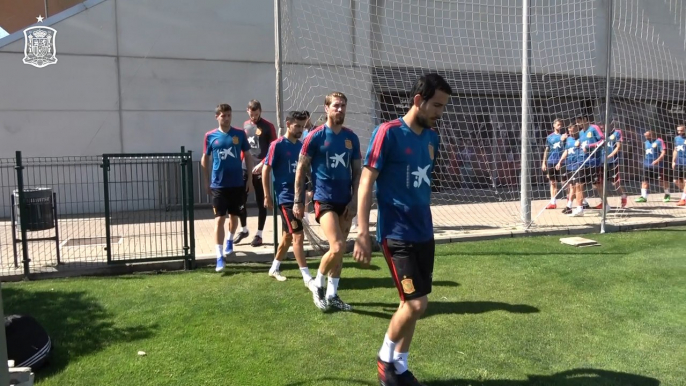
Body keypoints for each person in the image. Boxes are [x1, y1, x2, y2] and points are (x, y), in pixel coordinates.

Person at [353, 73, 452, 386]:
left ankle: (401, 365)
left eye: (443, 107)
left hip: (424, 231)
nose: (440, 112)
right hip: (396, 233)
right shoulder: (388, 133)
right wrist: (363, 231)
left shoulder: (432, 139)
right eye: (436, 105)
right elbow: (367, 181)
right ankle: (385, 360)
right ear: (418, 100)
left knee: (410, 305)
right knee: (416, 303)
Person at [293, 91, 361, 312]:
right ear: (326, 108)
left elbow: (358, 173)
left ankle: (332, 295)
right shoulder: (315, 136)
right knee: (338, 246)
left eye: (342, 105)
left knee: (339, 253)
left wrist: (354, 201)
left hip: (346, 202)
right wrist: (298, 201)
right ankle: (318, 285)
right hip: (324, 200)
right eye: (335, 105)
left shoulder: (352, 138)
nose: (339, 109)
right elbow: (301, 169)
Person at [262, 110, 314, 284]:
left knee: (288, 236)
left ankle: (274, 267)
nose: (300, 129)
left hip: (298, 197)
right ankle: (307, 277)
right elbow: (266, 168)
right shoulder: (277, 145)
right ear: (288, 123)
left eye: (302, 126)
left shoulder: (301, 146)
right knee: (298, 236)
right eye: (297, 126)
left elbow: (306, 171)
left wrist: (309, 187)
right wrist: (267, 195)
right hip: (286, 198)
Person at [201, 104, 253, 272]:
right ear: (217, 117)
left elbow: (249, 156)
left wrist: (250, 179)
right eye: (223, 115)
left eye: (229, 115)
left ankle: (230, 239)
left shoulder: (239, 134)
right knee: (219, 220)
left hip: (237, 183)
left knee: (234, 216)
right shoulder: (210, 136)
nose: (226, 118)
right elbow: (205, 158)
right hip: (218, 185)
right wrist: (206, 181)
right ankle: (219, 256)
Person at [234, 100, 278, 247]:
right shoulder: (246, 125)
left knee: (261, 202)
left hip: (260, 167)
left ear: (261, 111)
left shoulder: (268, 126)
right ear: (247, 111)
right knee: (240, 201)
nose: (254, 117)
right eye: (252, 114)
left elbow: (274, 148)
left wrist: (263, 163)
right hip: (245, 167)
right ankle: (244, 229)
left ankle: (259, 234)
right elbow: (244, 148)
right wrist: (240, 164)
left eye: (256, 114)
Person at [556, 124, 588, 217]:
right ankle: (571, 206)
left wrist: (581, 145)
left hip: (579, 165)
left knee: (578, 186)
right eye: (569, 131)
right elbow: (566, 151)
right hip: (570, 166)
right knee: (571, 186)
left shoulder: (582, 138)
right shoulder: (569, 139)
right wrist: (560, 162)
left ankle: (578, 207)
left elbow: (586, 148)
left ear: (577, 129)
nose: (570, 132)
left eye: (572, 130)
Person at [635, 129, 669, 203]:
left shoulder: (659, 141)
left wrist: (657, 160)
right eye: (645, 136)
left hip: (658, 165)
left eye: (647, 135)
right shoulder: (646, 142)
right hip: (647, 165)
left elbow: (663, 152)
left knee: (662, 181)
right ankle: (643, 197)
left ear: (651, 134)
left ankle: (667, 194)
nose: (645, 137)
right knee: (644, 181)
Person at [541, 118, 568, 209]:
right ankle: (553, 202)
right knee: (552, 182)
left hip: (561, 162)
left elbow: (566, 149)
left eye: (560, 125)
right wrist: (544, 163)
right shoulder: (549, 137)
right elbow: (546, 150)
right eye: (558, 124)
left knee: (565, 182)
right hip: (551, 161)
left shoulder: (564, 136)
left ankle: (569, 201)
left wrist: (563, 140)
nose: (559, 126)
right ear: (554, 125)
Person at [603, 120, 628, 208]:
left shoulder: (617, 133)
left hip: (613, 161)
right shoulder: (602, 135)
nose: (604, 127)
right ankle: (603, 202)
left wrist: (609, 156)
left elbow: (618, 147)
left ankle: (623, 196)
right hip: (602, 162)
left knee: (615, 183)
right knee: (599, 183)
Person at [672, 124, 686, 206]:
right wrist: (673, 161)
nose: (680, 132)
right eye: (678, 130)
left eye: (682, 130)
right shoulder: (676, 138)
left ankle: (683, 199)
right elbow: (675, 150)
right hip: (678, 162)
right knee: (676, 181)